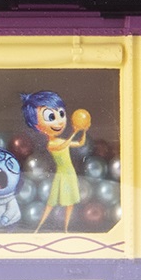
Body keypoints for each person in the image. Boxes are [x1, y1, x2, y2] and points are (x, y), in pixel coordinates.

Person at [21, 89, 88, 231]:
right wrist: (75, 131)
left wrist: (84, 131)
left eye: (61, 114)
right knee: (51, 202)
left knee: (70, 203)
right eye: (51, 116)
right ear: (38, 127)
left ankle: (66, 230)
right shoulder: (51, 144)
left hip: (70, 173)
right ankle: (38, 227)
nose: (59, 121)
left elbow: (80, 143)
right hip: (61, 174)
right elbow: (63, 146)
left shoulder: (60, 140)